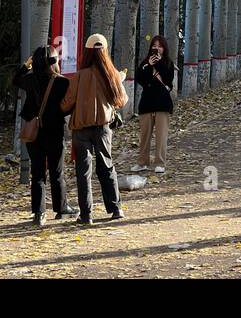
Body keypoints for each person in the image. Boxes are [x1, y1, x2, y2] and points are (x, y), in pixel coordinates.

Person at [60, 33, 128, 224]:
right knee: (106, 166)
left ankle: (86, 215)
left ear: (87, 52)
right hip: (104, 128)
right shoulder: (111, 74)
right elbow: (122, 101)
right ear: (105, 52)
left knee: (83, 172)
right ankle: (116, 209)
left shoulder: (79, 76)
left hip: (81, 129)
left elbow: (66, 104)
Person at [14, 45, 71, 226]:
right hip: (54, 131)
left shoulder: (29, 80)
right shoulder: (62, 82)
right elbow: (67, 106)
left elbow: (16, 80)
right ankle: (61, 208)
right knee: (56, 171)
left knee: (37, 173)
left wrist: (26, 65)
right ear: (54, 61)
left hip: (34, 132)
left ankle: (39, 213)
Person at [134, 34, 174, 173]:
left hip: (162, 104)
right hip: (146, 103)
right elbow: (141, 80)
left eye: (160, 46)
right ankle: (142, 162)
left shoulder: (168, 63)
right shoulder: (146, 62)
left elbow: (169, 80)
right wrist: (148, 66)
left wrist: (159, 63)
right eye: (154, 46)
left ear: (164, 48)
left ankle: (160, 163)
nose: (157, 49)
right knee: (144, 136)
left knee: (161, 136)